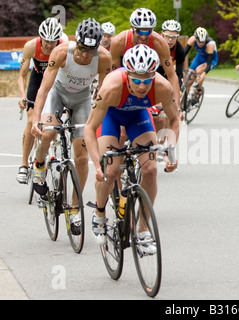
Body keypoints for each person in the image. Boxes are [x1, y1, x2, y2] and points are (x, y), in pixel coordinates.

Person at [84, 44, 180, 246]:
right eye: (136, 80)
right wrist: (96, 164)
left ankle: (143, 229)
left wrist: (170, 150)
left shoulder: (162, 87)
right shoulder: (111, 88)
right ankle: (99, 212)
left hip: (138, 115)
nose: (142, 86)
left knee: (151, 170)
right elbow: (89, 128)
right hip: (111, 116)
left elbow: (174, 119)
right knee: (109, 172)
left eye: (147, 80)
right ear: (127, 75)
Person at [30, 18, 112, 234]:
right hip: (58, 93)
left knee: (81, 156)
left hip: (82, 99)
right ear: (77, 42)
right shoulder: (61, 52)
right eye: (82, 49)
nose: (85, 55)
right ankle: (39, 165)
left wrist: (98, 122)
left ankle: (75, 207)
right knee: (47, 133)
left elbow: (102, 96)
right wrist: (36, 118)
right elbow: (43, 90)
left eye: (91, 50)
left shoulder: (103, 58)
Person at [16, 18, 64, 184]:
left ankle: (53, 152)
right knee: (31, 121)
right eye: (46, 41)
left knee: (56, 121)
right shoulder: (31, 46)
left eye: (53, 41)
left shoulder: (63, 45)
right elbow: (22, 75)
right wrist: (23, 95)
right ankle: (23, 164)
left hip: (56, 80)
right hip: (37, 80)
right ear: (40, 38)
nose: (50, 45)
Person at [110, 8, 181, 105]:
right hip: (127, 82)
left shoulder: (159, 42)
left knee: (161, 118)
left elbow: (172, 75)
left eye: (147, 32)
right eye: (140, 32)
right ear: (132, 27)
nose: (143, 37)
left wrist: (177, 107)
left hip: (148, 83)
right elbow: (112, 74)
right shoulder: (119, 42)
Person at [184, 27, 218, 105]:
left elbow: (209, 64)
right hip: (199, 57)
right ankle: (183, 102)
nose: (201, 44)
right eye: (199, 42)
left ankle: (198, 91)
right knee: (189, 81)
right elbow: (183, 54)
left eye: (203, 42)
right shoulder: (192, 39)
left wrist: (203, 74)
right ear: (196, 39)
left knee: (199, 70)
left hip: (211, 60)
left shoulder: (210, 44)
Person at [158, 19, 186, 88]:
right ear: (162, 34)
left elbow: (179, 73)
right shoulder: (156, 43)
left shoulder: (180, 50)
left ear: (177, 37)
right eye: (167, 36)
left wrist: (178, 89)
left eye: (173, 37)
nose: (170, 40)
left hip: (168, 68)